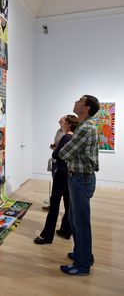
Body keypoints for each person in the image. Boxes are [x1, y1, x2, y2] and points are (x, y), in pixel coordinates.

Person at [59, 95, 100, 276]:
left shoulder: (85, 128)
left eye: (80, 100)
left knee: (81, 223)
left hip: (81, 180)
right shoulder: (83, 127)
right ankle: (83, 254)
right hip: (78, 178)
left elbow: (65, 153)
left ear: (87, 107)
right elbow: (69, 152)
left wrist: (63, 149)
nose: (75, 101)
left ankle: (82, 265)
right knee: (74, 220)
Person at [34, 115, 79, 244]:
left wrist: (56, 150)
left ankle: (47, 236)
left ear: (69, 123)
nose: (61, 121)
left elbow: (56, 154)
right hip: (69, 173)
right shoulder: (75, 137)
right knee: (68, 203)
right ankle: (66, 230)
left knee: (54, 204)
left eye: (64, 120)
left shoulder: (66, 137)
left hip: (61, 173)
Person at [42, 117, 65, 211]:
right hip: (55, 161)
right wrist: (54, 147)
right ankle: (53, 206)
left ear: (66, 122)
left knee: (62, 187)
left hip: (62, 162)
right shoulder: (59, 131)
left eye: (63, 118)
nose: (61, 118)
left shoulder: (67, 133)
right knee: (55, 185)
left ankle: (66, 209)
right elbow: (58, 145)